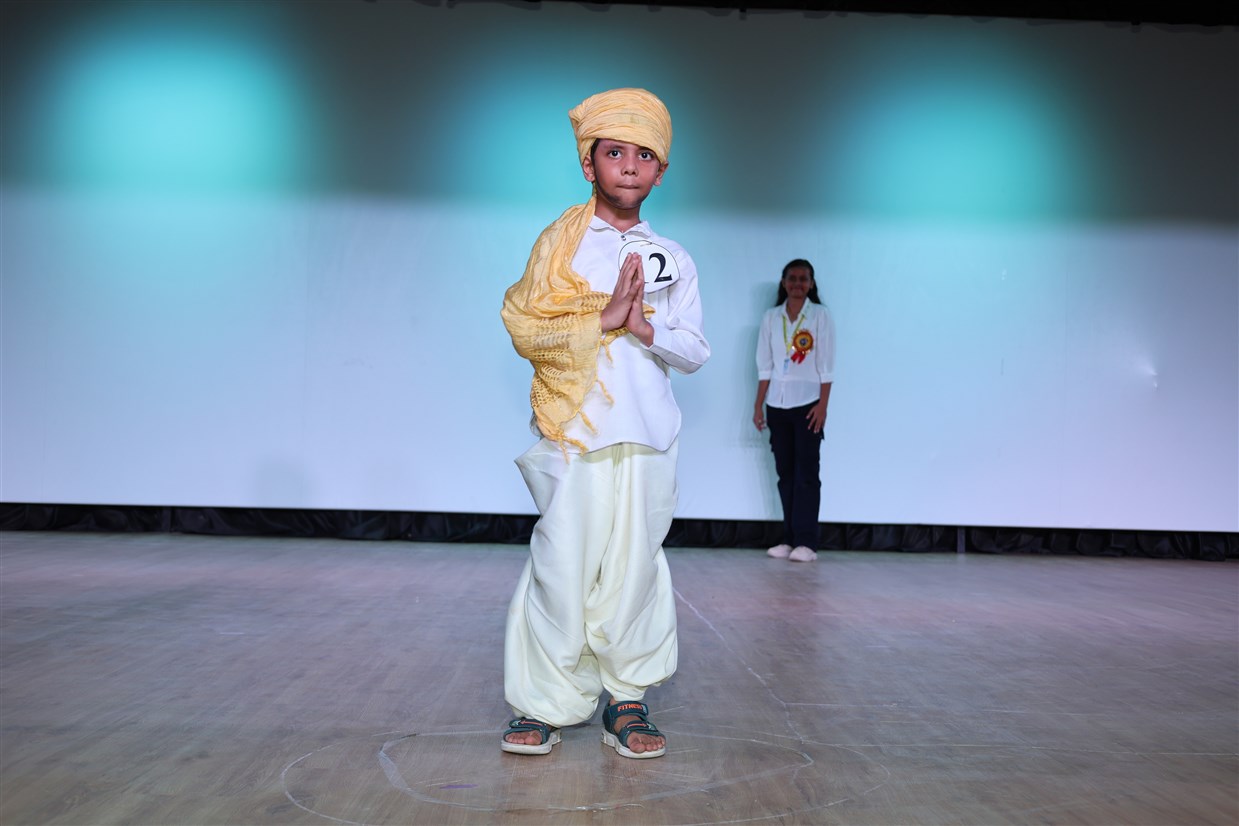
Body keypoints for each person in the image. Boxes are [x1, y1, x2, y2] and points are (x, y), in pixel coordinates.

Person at [499, 88, 709, 759]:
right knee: (561, 565)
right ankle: (543, 703)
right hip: (576, 431)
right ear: (589, 164)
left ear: (660, 172)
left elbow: (694, 350)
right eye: (614, 152)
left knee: (633, 569)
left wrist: (644, 328)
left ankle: (626, 699)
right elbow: (526, 327)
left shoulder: (671, 257)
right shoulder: (560, 246)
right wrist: (603, 318)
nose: (628, 165)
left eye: (643, 155)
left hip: (648, 432)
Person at [752, 259, 835, 563]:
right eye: (792, 278)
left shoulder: (820, 315)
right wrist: (758, 405)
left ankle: (806, 542)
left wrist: (823, 405)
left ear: (811, 284)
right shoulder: (771, 317)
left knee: (807, 475)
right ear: (783, 282)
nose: (797, 284)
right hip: (777, 404)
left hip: (808, 404)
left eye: (803, 279)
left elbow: (826, 365)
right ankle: (788, 539)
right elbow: (765, 365)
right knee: (785, 474)